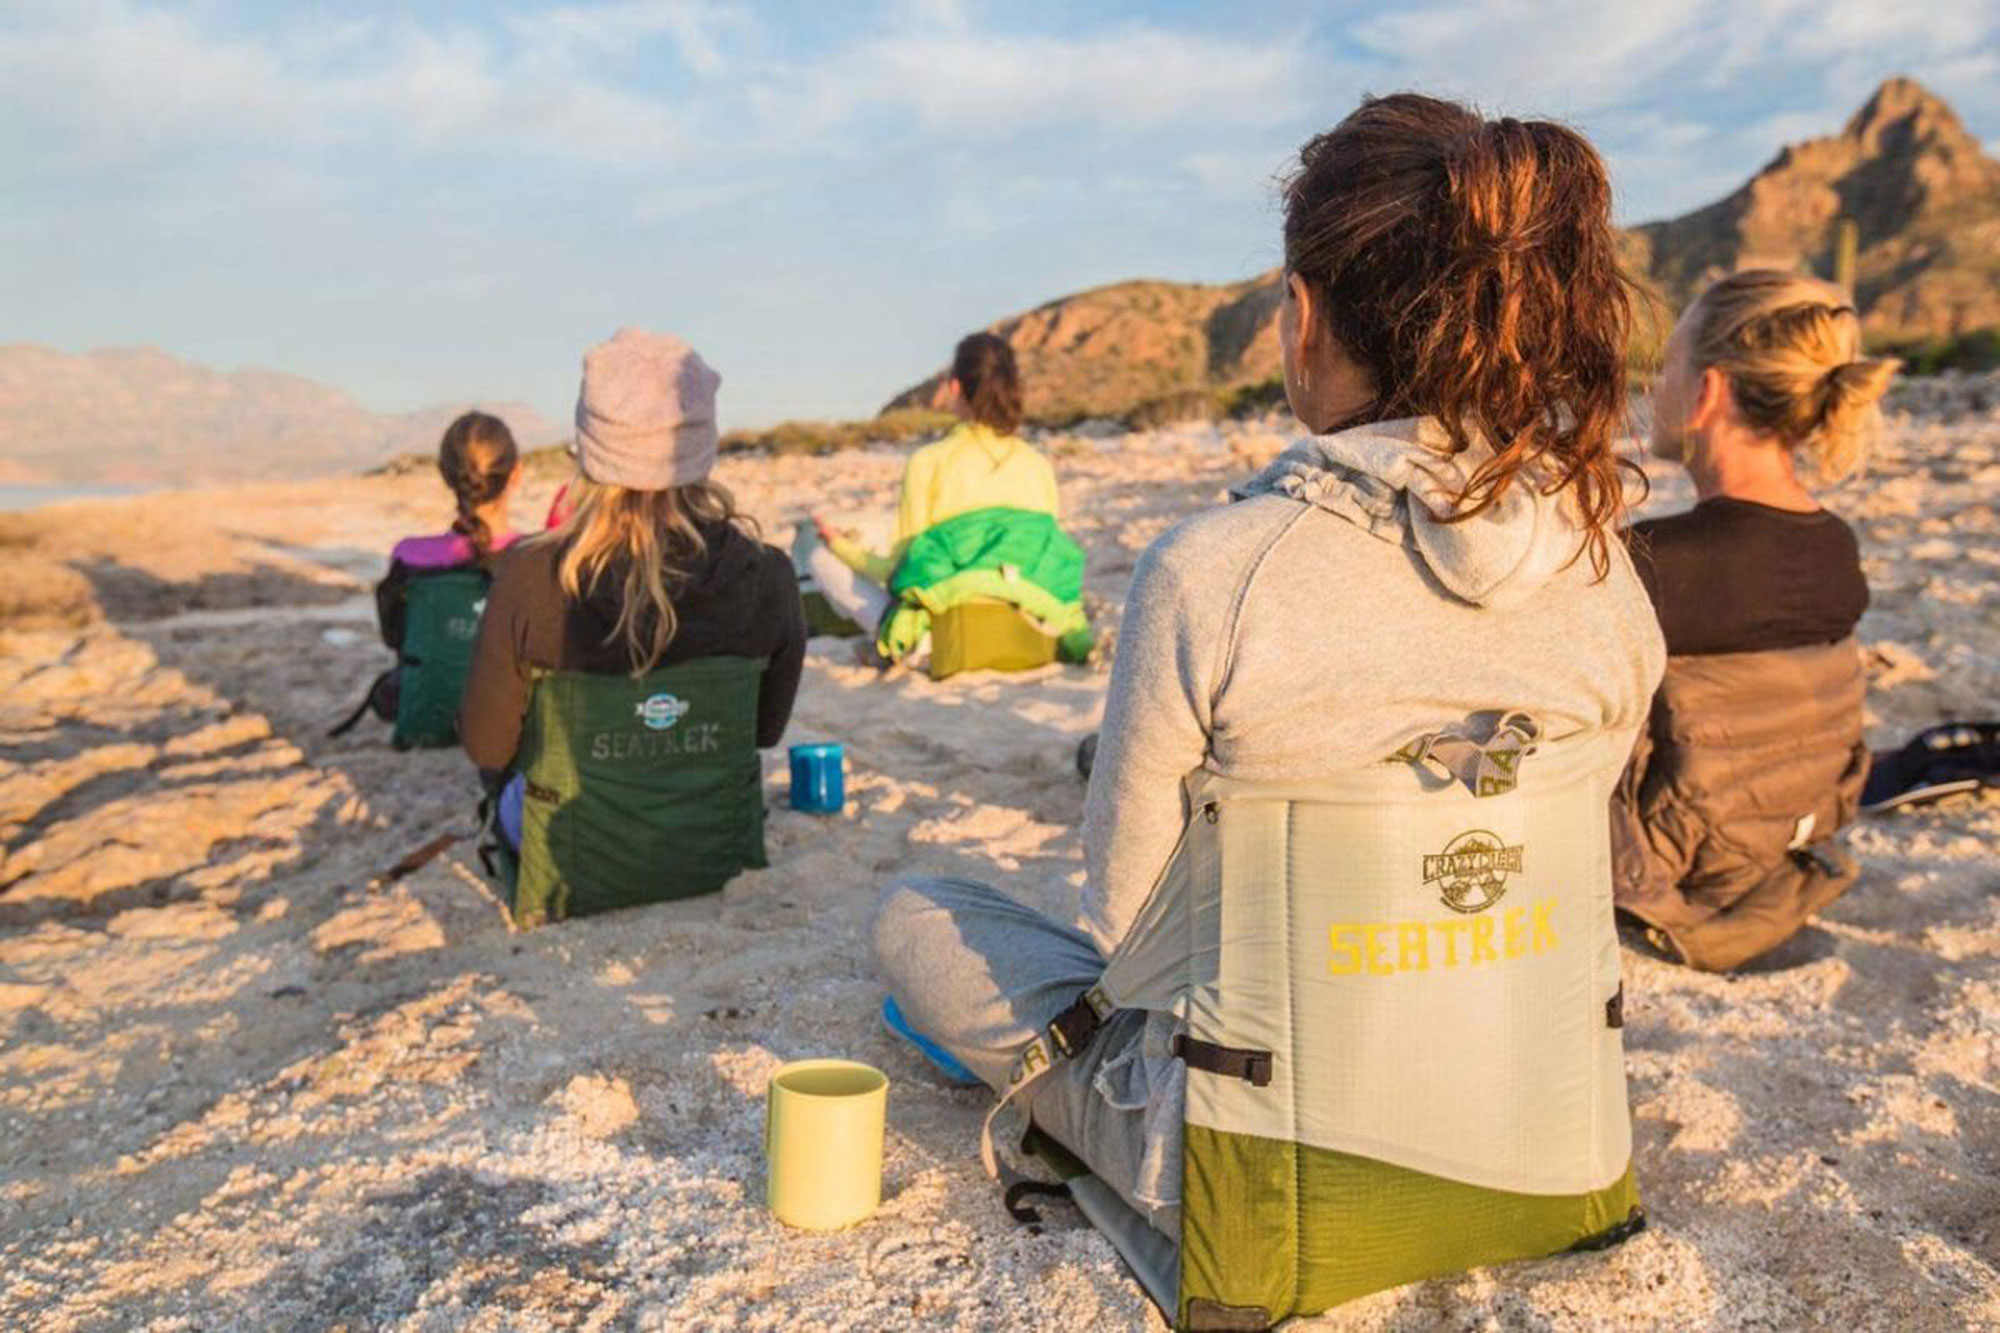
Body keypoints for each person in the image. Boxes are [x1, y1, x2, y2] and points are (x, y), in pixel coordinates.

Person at [872, 94, 1665, 1321]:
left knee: (920, 914)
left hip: (1261, 1158)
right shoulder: (1606, 569)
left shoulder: (1219, 570)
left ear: (1301, 316)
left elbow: (1129, 925)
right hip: (1541, 1124)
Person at [459, 329, 805, 910]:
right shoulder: (767, 573)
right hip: (707, 843)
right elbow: (764, 731)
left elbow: (487, 747)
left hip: (574, 853)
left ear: (589, 447)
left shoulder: (530, 577)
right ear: (703, 443)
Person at [1613, 270, 1895, 971]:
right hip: (1788, 840)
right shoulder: (1836, 545)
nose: (1654, 385)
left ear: (1708, 391)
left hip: (1677, 861)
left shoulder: (1656, 564)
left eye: (1669, 364)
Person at [804, 333, 1062, 642]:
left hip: (949, 635)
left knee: (820, 559)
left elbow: (896, 573)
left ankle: (898, 641)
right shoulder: (1038, 464)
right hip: (1031, 625)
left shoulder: (928, 462)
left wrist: (839, 547)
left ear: (955, 387)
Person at [334, 411, 522, 745]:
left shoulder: (409, 555)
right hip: (511, 717)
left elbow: (396, 639)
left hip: (430, 708)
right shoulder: (533, 557)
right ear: (516, 474)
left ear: (444, 475)